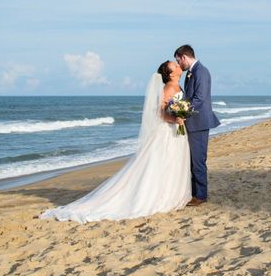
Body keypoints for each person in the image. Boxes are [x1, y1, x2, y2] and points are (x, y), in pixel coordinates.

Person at [40, 62, 191, 223]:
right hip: (167, 131)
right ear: (171, 74)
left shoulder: (178, 86)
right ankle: (160, 196)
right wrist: (176, 118)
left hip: (176, 131)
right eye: (174, 66)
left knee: (173, 162)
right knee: (163, 163)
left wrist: (181, 116)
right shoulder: (167, 88)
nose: (178, 66)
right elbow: (160, 113)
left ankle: (173, 194)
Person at [174, 45, 220, 206]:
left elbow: (199, 99)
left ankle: (200, 195)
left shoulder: (201, 71)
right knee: (193, 160)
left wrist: (181, 110)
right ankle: (195, 193)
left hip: (199, 122)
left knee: (198, 160)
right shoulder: (192, 72)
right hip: (194, 121)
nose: (179, 65)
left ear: (184, 57)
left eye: (178, 61)